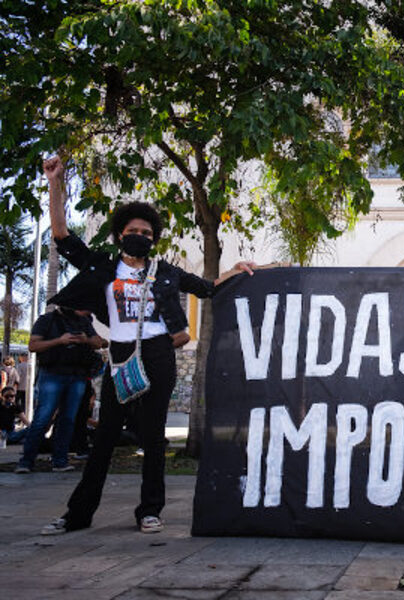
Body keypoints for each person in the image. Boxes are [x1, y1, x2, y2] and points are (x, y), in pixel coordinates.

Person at [39, 155, 256, 536]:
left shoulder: (165, 272)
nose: (139, 234)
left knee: (154, 435)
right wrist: (55, 184)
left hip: (157, 354)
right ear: (120, 234)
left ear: (153, 238)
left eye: (146, 231)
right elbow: (61, 235)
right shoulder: (103, 267)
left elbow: (206, 288)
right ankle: (77, 514)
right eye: (132, 229)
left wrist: (238, 270)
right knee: (105, 436)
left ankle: (149, 511)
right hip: (120, 357)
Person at [15, 307, 106, 473]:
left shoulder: (84, 322)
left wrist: (86, 340)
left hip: (77, 374)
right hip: (53, 373)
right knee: (43, 417)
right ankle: (26, 461)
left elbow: (100, 342)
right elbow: (33, 345)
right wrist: (59, 341)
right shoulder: (47, 320)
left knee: (68, 419)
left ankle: (60, 460)